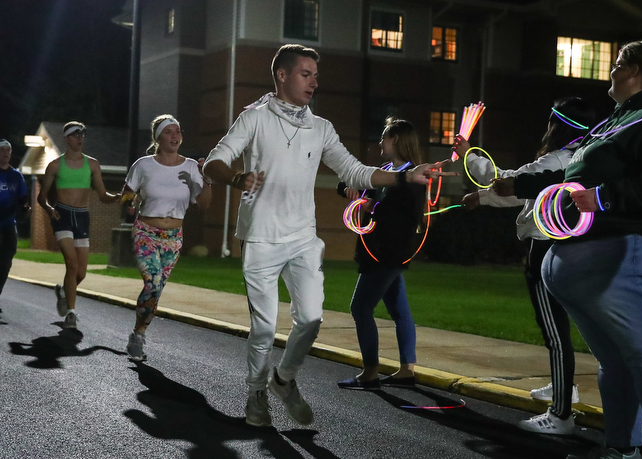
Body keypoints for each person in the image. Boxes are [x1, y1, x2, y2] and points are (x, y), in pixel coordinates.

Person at [203, 43, 454, 428]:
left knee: (311, 320)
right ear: (283, 75)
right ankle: (256, 392)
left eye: (316, 76)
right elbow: (215, 162)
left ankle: (283, 379)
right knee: (265, 328)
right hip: (260, 237)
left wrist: (405, 175)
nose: (314, 82)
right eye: (306, 74)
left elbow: (355, 171)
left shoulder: (320, 128)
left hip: (303, 237)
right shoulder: (253, 118)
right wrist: (237, 177)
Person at [499, 40, 642, 459]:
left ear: (635, 71)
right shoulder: (617, 119)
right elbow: (569, 168)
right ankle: (622, 449)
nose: (609, 73)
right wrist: (508, 187)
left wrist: (605, 197)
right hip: (591, 263)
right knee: (616, 363)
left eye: (615, 65)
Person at [453, 97, 596, 435]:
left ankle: (561, 415)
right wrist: (482, 198)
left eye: (550, 122)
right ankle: (566, 387)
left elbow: (507, 180)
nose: (546, 128)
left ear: (559, 126)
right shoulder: (580, 157)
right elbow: (523, 190)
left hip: (545, 248)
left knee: (554, 330)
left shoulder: (555, 158)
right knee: (564, 325)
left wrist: (469, 153)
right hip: (571, 248)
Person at [335, 118, 426, 391]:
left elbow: (406, 215)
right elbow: (349, 183)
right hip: (377, 250)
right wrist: (350, 191)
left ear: (395, 140)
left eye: (384, 138)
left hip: (388, 253)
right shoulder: (384, 171)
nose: (380, 144)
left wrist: (371, 205)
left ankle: (370, 372)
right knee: (399, 310)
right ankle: (406, 370)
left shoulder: (414, 175)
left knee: (360, 307)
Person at [122, 115, 212, 361]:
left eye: (178, 131)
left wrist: (206, 179)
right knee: (152, 283)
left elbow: (204, 204)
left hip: (174, 237)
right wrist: (129, 205)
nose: (175, 136)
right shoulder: (143, 165)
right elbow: (127, 193)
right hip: (146, 232)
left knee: (156, 289)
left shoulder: (192, 166)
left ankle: (138, 331)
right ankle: (139, 337)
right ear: (158, 138)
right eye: (169, 132)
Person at [37, 122, 120, 329]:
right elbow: (41, 197)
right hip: (62, 215)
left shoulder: (92, 164)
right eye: (74, 135)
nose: (79, 137)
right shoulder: (55, 165)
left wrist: (116, 197)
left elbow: (102, 195)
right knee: (72, 265)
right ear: (66, 138)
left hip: (82, 217)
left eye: (81, 134)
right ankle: (71, 314)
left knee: (81, 272)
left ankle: (64, 291)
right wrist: (49, 209)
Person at [0, 139, 30, 313]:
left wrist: (26, 207)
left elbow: (22, 198)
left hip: (8, 222)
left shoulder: (16, 176)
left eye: (8, 150)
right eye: (2, 150)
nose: (5, 153)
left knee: (6, 260)